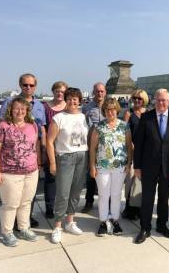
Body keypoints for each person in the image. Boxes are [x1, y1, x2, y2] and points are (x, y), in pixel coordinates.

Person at [133, 88, 169, 244]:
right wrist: (137, 166)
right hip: (148, 166)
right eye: (159, 100)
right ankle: (145, 228)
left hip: (168, 167)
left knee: (163, 198)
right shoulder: (145, 117)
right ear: (155, 100)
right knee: (147, 198)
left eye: (164, 100)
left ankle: (162, 225)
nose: (161, 103)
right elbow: (139, 144)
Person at [0, 73, 46, 228]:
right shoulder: (9, 102)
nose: (28, 87)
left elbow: (42, 129)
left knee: (27, 197)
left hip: (31, 155)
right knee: (12, 198)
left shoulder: (39, 105)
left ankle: (25, 222)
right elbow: (1, 128)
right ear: (20, 85)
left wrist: (41, 154)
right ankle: (10, 227)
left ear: (35, 86)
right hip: (12, 160)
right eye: (25, 85)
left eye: (31, 85)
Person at [0, 97, 40, 247]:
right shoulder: (3, 126)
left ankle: (23, 228)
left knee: (26, 202)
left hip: (31, 171)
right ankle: (7, 232)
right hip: (9, 172)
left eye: (23, 109)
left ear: (27, 111)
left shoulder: (33, 125)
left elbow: (35, 147)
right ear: (11, 110)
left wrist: (38, 164)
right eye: (16, 108)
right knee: (11, 204)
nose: (19, 111)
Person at [46, 88, 89, 244]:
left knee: (76, 192)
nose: (73, 101)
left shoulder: (84, 117)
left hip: (82, 156)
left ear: (80, 100)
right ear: (65, 100)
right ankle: (57, 226)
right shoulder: (59, 118)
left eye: (75, 99)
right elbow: (49, 141)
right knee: (63, 193)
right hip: (65, 157)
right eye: (70, 98)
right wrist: (52, 162)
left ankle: (70, 221)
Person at [89, 98, 133, 236]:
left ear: (117, 110)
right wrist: (92, 166)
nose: (110, 112)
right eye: (107, 109)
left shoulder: (124, 126)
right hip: (102, 167)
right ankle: (103, 221)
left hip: (120, 166)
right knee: (103, 195)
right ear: (104, 111)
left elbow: (129, 147)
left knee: (116, 194)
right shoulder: (98, 127)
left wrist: (129, 163)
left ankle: (115, 220)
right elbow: (92, 149)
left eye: (113, 109)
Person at [122, 89, 149, 221]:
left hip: (146, 153)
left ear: (144, 100)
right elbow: (125, 134)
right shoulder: (128, 114)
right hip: (132, 152)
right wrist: (132, 146)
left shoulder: (149, 113)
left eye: (140, 98)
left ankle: (139, 208)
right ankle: (129, 208)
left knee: (141, 182)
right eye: (135, 98)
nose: (137, 100)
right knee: (130, 180)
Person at [42, 81, 68, 219]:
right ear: (53, 91)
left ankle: (63, 206)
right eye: (57, 90)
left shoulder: (69, 107)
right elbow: (42, 128)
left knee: (65, 179)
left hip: (65, 149)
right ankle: (50, 207)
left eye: (63, 91)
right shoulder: (45, 107)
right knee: (50, 178)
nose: (60, 93)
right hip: (50, 147)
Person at [81, 82, 106, 213]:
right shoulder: (86, 108)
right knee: (91, 174)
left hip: (106, 147)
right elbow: (83, 126)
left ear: (105, 92)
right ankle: (89, 201)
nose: (99, 93)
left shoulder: (110, 106)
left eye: (102, 91)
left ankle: (106, 202)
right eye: (97, 91)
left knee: (106, 175)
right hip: (92, 145)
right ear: (93, 92)